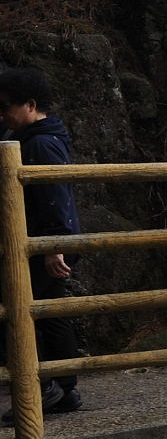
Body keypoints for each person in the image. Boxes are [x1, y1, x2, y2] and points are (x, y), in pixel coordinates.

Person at [0, 68, 83, 418]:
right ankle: (63, 389)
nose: (1, 114)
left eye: (5, 107)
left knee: (10, 312)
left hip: (41, 244)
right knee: (51, 312)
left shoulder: (40, 143)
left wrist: (54, 245)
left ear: (31, 105)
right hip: (42, 241)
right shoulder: (33, 134)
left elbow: (54, 195)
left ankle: (44, 388)